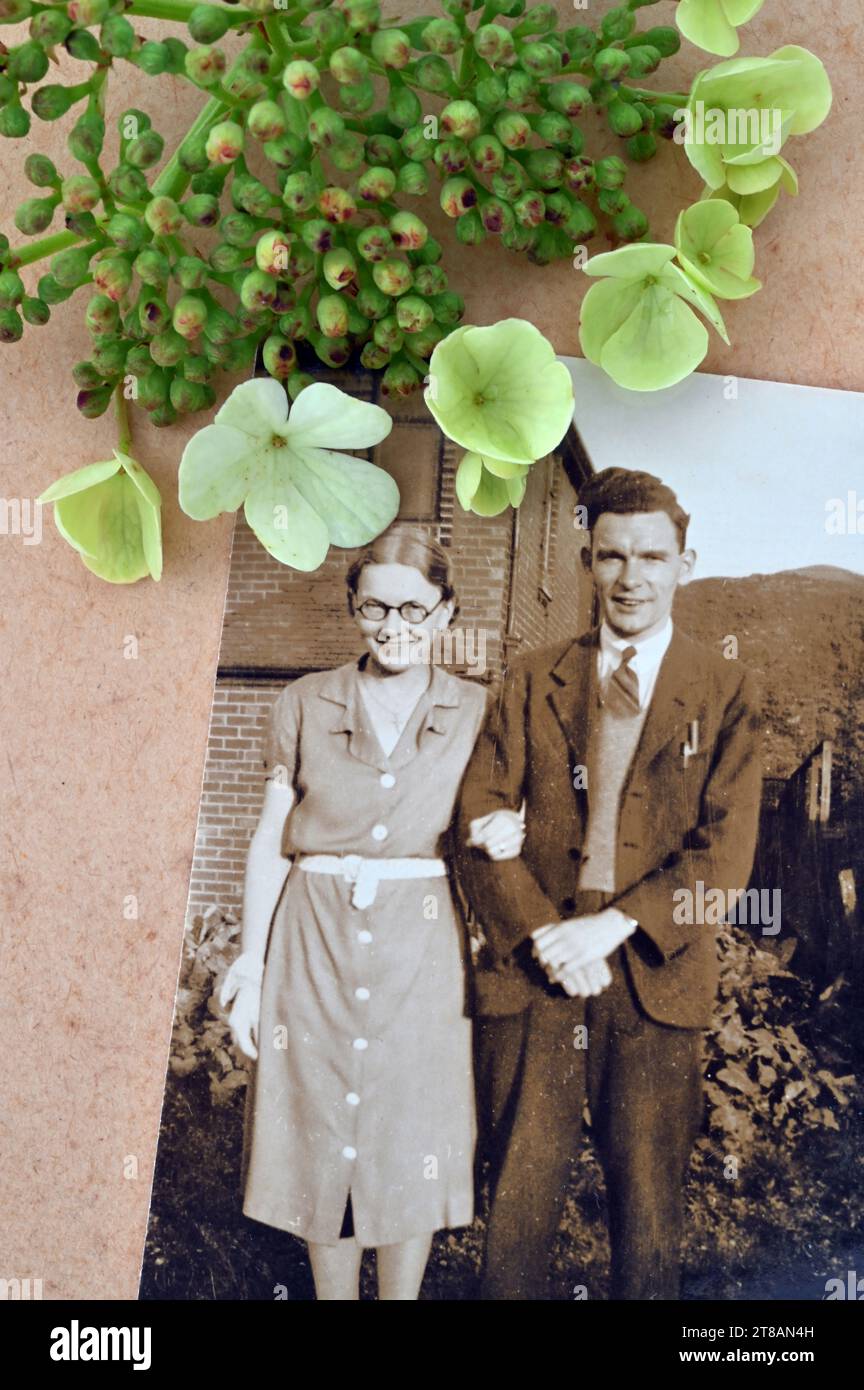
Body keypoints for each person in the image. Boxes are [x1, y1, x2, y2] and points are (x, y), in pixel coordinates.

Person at [454, 468, 764, 1301]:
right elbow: (477, 813)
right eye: (612, 556)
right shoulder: (531, 676)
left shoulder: (727, 690)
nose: (632, 578)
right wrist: (539, 933)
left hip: (654, 977)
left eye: (652, 557)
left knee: (649, 1220)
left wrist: (610, 927)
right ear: (589, 561)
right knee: (514, 1210)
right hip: (534, 972)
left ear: (684, 562)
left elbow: (725, 854)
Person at [220, 528, 523, 1301]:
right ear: (354, 608)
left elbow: (501, 817)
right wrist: (251, 967)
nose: (395, 627)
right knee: (320, 1123)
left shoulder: (479, 711)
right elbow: (269, 839)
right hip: (312, 935)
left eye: (414, 609)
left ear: (446, 612)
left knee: (410, 1126)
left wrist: (506, 828)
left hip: (421, 944)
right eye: (374, 607)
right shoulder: (302, 702)